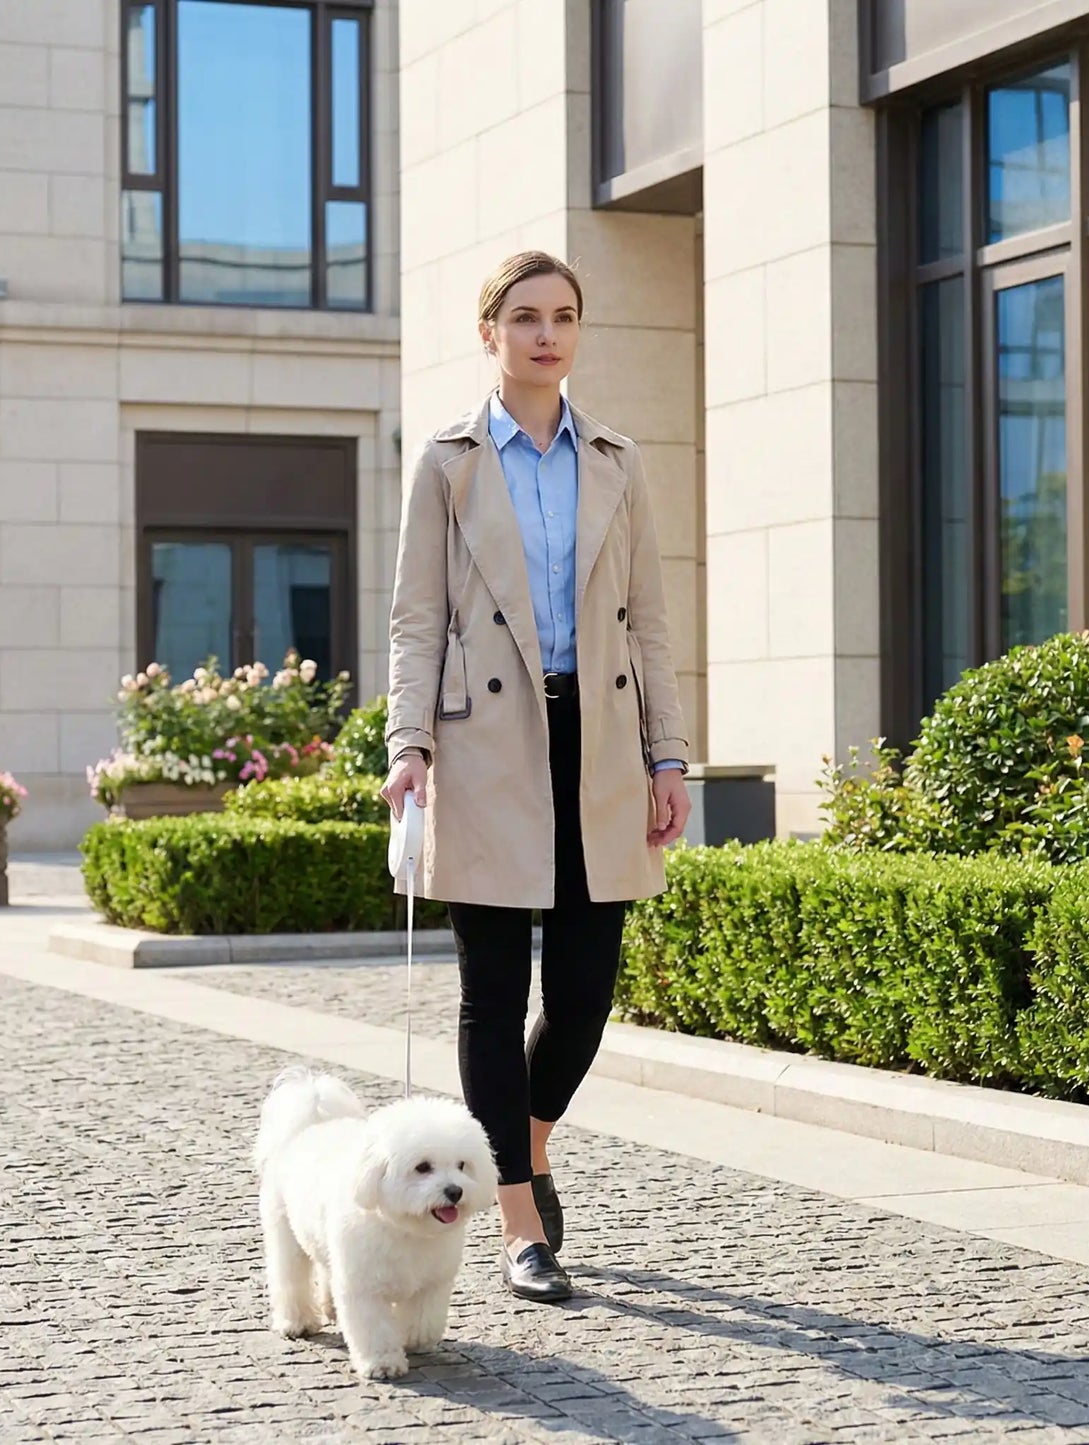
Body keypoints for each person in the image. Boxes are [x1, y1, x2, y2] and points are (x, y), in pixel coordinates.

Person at [380, 250, 691, 1303]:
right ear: (490, 333)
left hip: (598, 740)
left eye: (561, 316)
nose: (545, 333)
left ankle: (528, 1139)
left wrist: (667, 752)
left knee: (586, 992)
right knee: (491, 992)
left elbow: (648, 619)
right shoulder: (448, 462)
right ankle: (518, 1220)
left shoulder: (616, 457)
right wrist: (407, 744)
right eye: (523, 317)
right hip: (483, 748)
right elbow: (416, 619)